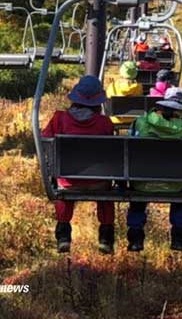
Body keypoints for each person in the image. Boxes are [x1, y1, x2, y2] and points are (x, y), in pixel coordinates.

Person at [41, 75, 116, 254]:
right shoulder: (104, 123)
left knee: (65, 188)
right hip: (99, 182)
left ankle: (63, 236)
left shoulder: (59, 119)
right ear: (98, 102)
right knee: (106, 194)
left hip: (68, 180)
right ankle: (105, 238)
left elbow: (44, 140)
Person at [126, 87, 182, 253]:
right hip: (174, 185)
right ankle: (178, 239)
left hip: (141, 183)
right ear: (180, 112)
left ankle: (135, 239)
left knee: (137, 202)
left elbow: (128, 149)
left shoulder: (141, 122)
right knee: (179, 196)